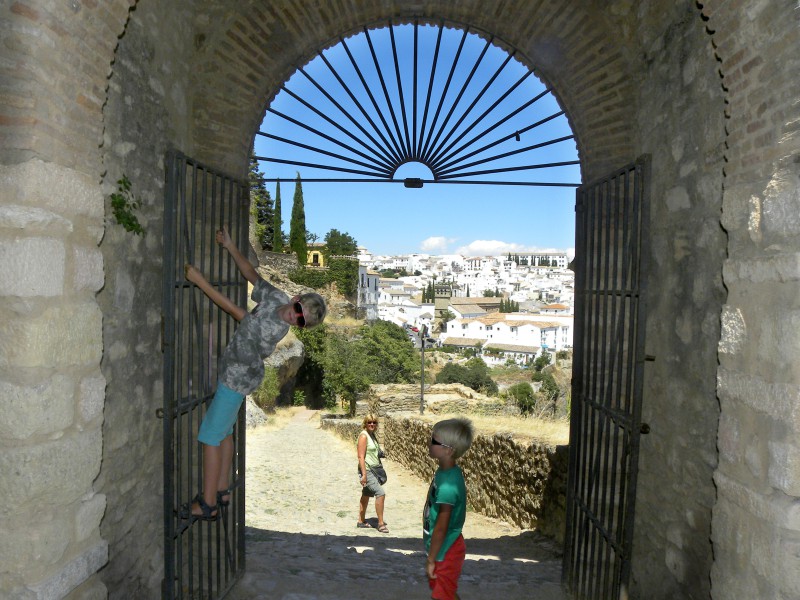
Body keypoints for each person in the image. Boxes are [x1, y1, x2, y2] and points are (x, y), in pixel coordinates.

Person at [181, 225, 327, 520]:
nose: (294, 316)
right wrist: (231, 246)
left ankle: (207, 504)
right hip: (236, 373)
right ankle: (222, 490)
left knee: (210, 436)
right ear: (295, 298)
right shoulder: (278, 298)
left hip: (235, 379)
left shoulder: (274, 327)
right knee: (224, 432)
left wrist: (200, 282)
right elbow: (253, 277)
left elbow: (237, 312)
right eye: (298, 309)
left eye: (301, 321)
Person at [422, 417, 475, 600]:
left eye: (434, 440)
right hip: (442, 548)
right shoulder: (446, 472)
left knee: (441, 596)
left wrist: (431, 559)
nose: (429, 443)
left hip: (446, 550)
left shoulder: (448, 487)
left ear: (448, 450)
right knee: (445, 592)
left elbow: (442, 527)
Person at [356, 413, 389, 533]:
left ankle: (361, 520)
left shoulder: (372, 435)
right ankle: (380, 524)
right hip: (368, 470)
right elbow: (360, 457)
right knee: (380, 493)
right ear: (365, 423)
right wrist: (364, 474)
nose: (372, 424)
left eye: (374, 422)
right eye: (369, 422)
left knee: (366, 494)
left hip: (374, 469)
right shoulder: (364, 436)